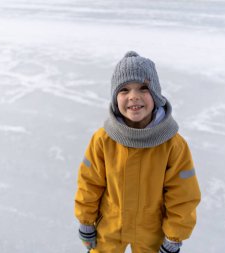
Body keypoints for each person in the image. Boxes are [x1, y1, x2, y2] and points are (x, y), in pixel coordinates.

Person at [74, 51, 201, 253]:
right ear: (116, 99)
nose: (134, 96)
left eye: (143, 88)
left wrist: (174, 236)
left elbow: (183, 195)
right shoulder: (103, 139)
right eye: (124, 90)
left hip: (152, 231)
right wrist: (86, 221)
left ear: (156, 95)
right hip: (109, 227)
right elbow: (89, 183)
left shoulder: (173, 145)